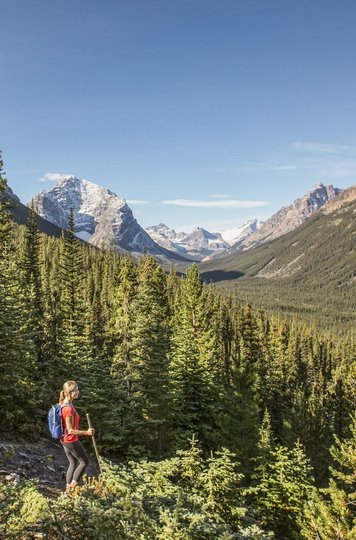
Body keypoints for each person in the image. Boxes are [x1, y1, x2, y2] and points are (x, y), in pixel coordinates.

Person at [59, 380, 94, 493]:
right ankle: (71, 490)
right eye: (76, 390)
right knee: (84, 462)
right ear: (69, 392)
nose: (78, 392)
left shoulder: (64, 404)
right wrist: (87, 433)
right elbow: (70, 430)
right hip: (70, 440)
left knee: (73, 463)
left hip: (64, 439)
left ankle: (67, 491)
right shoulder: (68, 408)